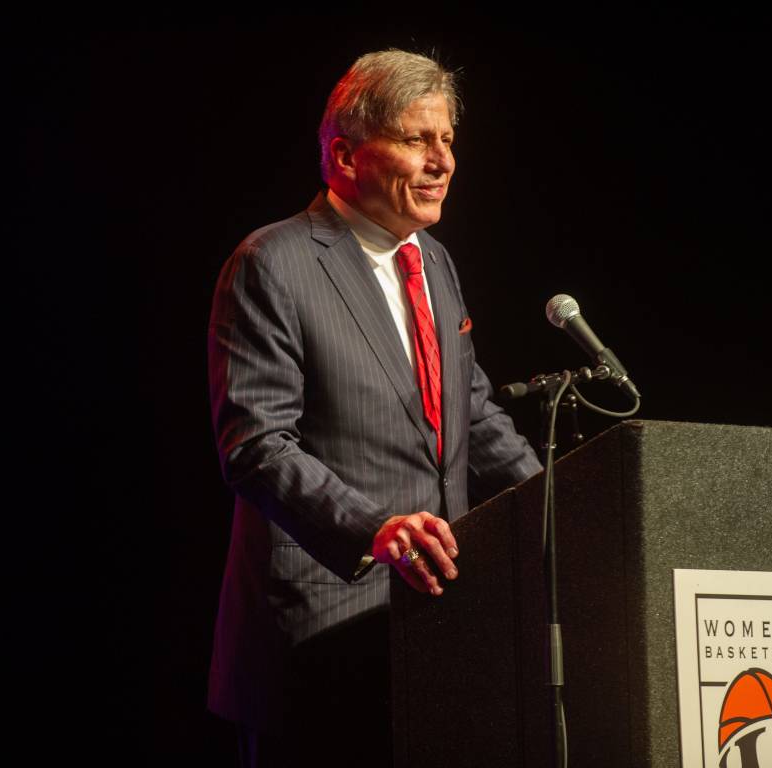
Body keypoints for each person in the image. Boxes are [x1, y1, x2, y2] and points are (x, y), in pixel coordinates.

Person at [206, 49, 542, 766]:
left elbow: (470, 417)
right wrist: (373, 528)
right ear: (345, 153)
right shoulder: (274, 262)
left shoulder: (434, 262)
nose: (441, 160)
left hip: (430, 633)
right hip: (321, 631)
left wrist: (562, 508)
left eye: (448, 139)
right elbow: (256, 445)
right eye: (418, 139)